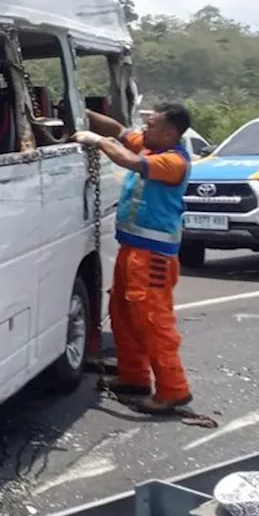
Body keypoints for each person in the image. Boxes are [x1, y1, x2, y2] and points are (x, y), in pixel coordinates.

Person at [74, 104, 194, 414]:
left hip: (153, 257)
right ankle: (135, 378)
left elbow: (126, 158)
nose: (143, 130)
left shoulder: (172, 162)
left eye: (151, 125)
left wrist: (96, 141)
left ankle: (173, 390)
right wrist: (82, 111)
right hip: (133, 249)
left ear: (169, 133)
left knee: (153, 321)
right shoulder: (153, 147)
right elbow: (117, 130)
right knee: (123, 314)